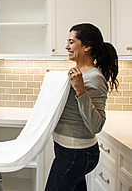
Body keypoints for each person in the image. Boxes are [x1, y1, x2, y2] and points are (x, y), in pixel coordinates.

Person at [44, 23, 119, 191]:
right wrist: (53, 83)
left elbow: (96, 125)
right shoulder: (79, 71)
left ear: (87, 46)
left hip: (76, 153)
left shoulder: (95, 78)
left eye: (71, 42)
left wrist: (80, 90)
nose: (66, 46)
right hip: (67, 150)